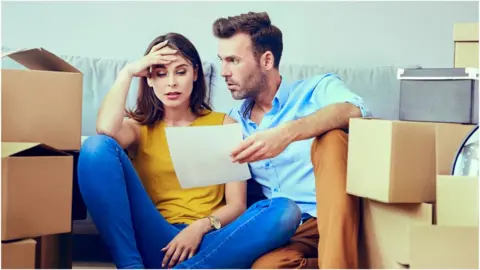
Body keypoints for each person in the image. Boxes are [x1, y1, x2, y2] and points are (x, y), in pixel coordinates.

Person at [77, 32, 302, 269]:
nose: (171, 82)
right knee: (95, 147)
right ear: (149, 80)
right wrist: (127, 73)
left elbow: (237, 205)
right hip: (155, 235)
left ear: (195, 73)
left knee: (284, 210)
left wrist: (199, 227)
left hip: (209, 240)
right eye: (161, 74)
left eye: (181, 71)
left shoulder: (224, 124)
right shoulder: (138, 128)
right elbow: (105, 131)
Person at [213, 12, 372, 269]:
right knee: (267, 267)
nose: (223, 72)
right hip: (289, 232)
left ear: (266, 60)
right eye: (221, 61)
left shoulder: (316, 90)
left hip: (335, 216)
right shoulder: (231, 123)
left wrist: (285, 134)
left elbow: (355, 109)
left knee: (331, 138)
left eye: (233, 60)